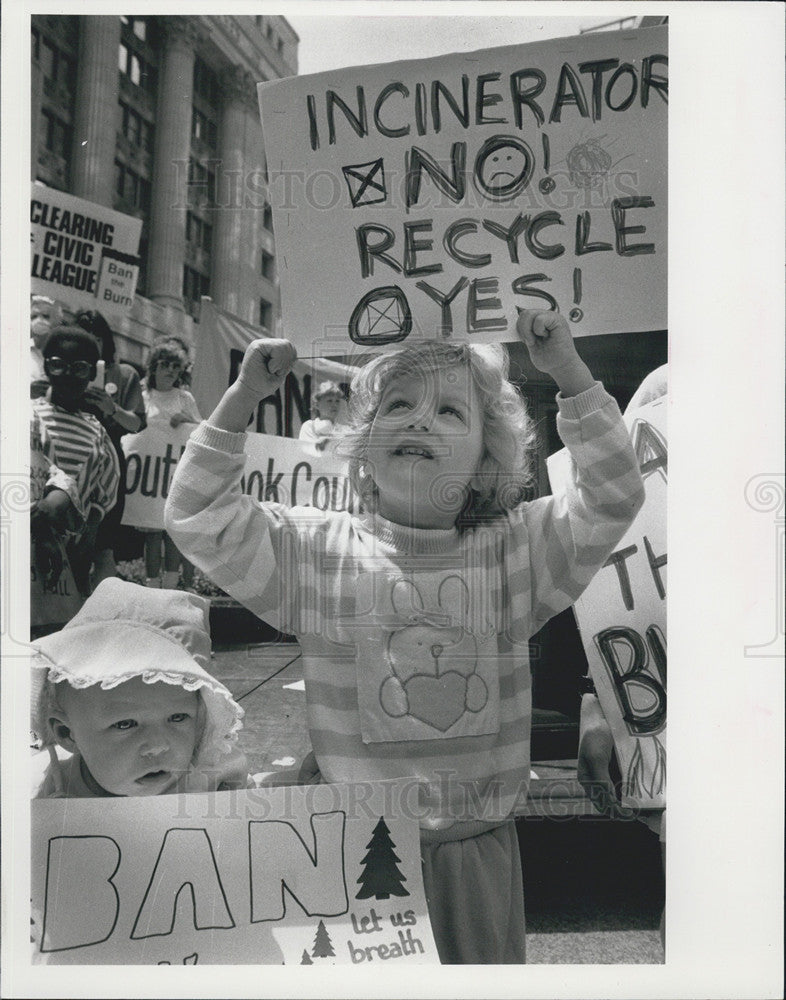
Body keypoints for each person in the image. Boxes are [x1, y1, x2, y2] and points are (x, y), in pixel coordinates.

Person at [165, 310, 645, 964]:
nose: (421, 418)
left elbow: (614, 494)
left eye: (451, 412)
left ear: (488, 458)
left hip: (472, 861)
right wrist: (243, 396)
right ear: (359, 444)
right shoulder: (316, 552)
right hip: (350, 858)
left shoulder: (516, 555)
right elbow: (196, 515)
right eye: (398, 404)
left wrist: (567, 371)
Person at [31, 578, 248, 798]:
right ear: (67, 733)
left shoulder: (215, 779)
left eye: (178, 717)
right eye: (125, 724)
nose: (158, 745)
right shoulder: (48, 790)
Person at [31, 327, 120, 599]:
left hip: (76, 544)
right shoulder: (31, 414)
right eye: (58, 366)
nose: (68, 375)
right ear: (46, 368)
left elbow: (106, 484)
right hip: (31, 532)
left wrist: (90, 532)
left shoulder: (96, 430)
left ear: (93, 374)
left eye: (79, 369)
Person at [68, 310, 147, 585]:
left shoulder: (125, 374)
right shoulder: (69, 370)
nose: (89, 346)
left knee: (103, 544)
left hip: (109, 468)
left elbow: (137, 423)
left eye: (95, 339)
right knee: (68, 539)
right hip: (70, 461)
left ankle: (103, 615)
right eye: (81, 339)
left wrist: (110, 408)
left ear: (105, 341)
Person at [139, 339, 202, 589]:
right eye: (166, 365)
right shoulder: (145, 396)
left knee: (172, 530)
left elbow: (200, 430)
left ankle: (171, 586)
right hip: (150, 475)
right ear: (154, 366)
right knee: (152, 532)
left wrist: (186, 419)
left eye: (176, 367)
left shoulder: (184, 398)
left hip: (177, 473)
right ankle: (152, 586)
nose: (171, 372)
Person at [298, 380, 345, 452]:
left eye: (337, 401)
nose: (334, 405)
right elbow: (306, 452)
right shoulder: (309, 426)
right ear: (317, 405)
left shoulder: (344, 431)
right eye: (329, 400)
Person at [30, 295, 59, 382]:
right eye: (34, 316)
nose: (39, 320)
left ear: (56, 321)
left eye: (45, 316)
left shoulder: (60, 353)